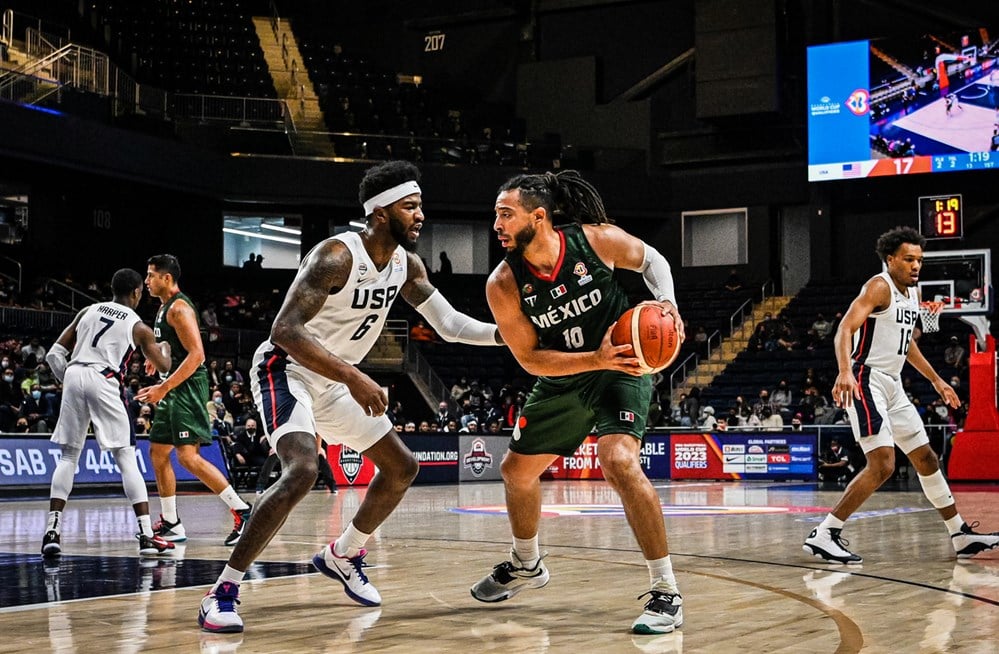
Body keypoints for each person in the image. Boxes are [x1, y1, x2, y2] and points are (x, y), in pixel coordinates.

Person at [197, 160, 504, 633]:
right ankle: (223, 591)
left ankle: (343, 554)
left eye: (420, 205)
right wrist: (356, 377)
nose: (421, 215)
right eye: (411, 206)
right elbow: (284, 331)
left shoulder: (406, 264)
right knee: (302, 469)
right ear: (380, 213)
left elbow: (450, 325)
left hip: (335, 380)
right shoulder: (336, 256)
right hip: (288, 370)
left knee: (402, 467)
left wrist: (512, 336)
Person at [469, 169, 687, 635]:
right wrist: (593, 356)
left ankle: (666, 591)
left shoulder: (596, 241)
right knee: (515, 471)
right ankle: (527, 563)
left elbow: (654, 261)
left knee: (618, 460)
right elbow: (529, 358)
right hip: (567, 373)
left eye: (506, 214)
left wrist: (667, 304)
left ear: (539, 216)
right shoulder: (503, 284)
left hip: (622, 368)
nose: (497, 225)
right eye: (495, 216)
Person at [803, 227, 999, 564]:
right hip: (866, 378)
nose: (916, 265)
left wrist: (938, 380)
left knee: (926, 458)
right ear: (890, 259)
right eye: (909, 259)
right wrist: (845, 370)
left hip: (893, 383)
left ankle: (960, 534)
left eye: (919, 260)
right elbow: (845, 329)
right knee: (883, 465)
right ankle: (826, 532)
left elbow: (907, 345)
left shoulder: (912, 293)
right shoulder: (878, 286)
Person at [40, 269, 174, 557]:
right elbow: (163, 367)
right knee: (125, 456)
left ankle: (52, 531)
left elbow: (53, 354)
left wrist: (73, 380)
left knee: (68, 457)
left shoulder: (87, 310)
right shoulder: (138, 326)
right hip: (104, 378)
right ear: (137, 292)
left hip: (74, 373)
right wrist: (165, 346)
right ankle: (147, 535)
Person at [137, 254, 252, 548]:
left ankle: (242, 510)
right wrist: (157, 360)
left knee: (188, 457)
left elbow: (197, 355)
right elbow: (170, 345)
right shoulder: (163, 308)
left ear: (166, 278)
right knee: (159, 452)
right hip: (173, 384)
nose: (146, 281)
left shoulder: (179, 309)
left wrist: (163, 387)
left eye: (151, 275)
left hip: (187, 387)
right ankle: (172, 521)